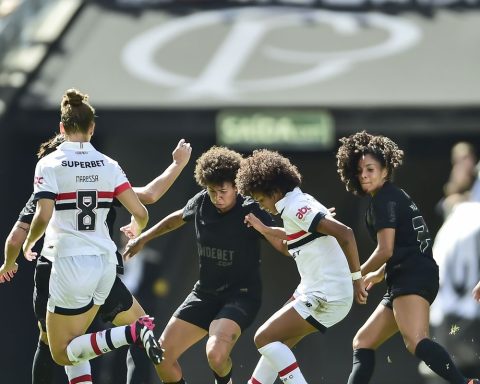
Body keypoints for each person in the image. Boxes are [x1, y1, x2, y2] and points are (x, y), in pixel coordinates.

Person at [0, 132, 192, 384]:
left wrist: (8, 262)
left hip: (60, 270)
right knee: (136, 327)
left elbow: (16, 238)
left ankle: (131, 333)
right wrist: (177, 164)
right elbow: (149, 195)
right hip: (101, 268)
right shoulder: (101, 182)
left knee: (56, 347)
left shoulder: (45, 190)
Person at [13, 88, 162, 384]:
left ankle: (132, 332)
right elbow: (143, 211)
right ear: (92, 128)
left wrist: (29, 243)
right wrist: (136, 229)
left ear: (61, 128)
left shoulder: (50, 163)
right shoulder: (109, 165)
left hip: (69, 263)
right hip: (105, 264)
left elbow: (42, 216)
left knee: (60, 352)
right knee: (77, 344)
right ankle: (133, 331)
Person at [123, 146, 286, 384]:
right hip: (205, 294)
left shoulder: (250, 208)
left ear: (236, 187)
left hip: (241, 296)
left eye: (223, 191)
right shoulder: (202, 202)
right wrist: (142, 238)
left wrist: (311, 240)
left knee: (216, 355)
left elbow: (281, 243)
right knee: (162, 358)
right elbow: (176, 219)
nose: (217, 198)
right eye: (212, 191)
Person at [335, 130, 479, 384]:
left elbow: (386, 250)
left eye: (370, 169)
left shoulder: (384, 200)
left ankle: (465, 382)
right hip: (409, 274)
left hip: (411, 277)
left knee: (416, 342)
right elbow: (403, 245)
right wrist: (378, 274)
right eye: (360, 171)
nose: (364, 175)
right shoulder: (392, 195)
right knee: (363, 341)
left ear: (385, 170)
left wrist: (356, 275)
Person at [232, 149, 366, 384]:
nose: (261, 206)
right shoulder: (293, 204)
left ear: (274, 192)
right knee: (276, 345)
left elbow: (346, 233)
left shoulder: (296, 206)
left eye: (261, 200)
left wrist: (357, 279)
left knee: (263, 338)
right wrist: (265, 230)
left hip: (327, 293)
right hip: (316, 290)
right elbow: (292, 242)